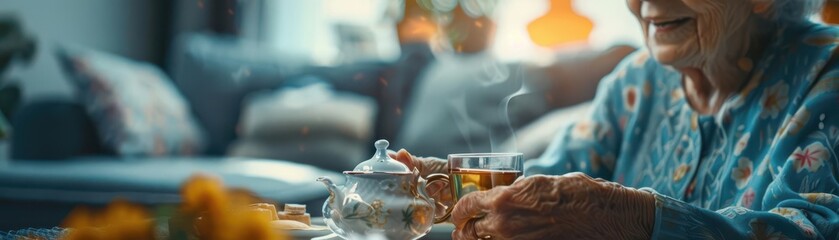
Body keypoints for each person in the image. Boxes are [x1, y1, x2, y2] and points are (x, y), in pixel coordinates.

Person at [393, 0, 839, 239]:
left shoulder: (827, 75)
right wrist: (458, 188)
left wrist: (629, 218)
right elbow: (553, 183)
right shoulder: (637, 81)